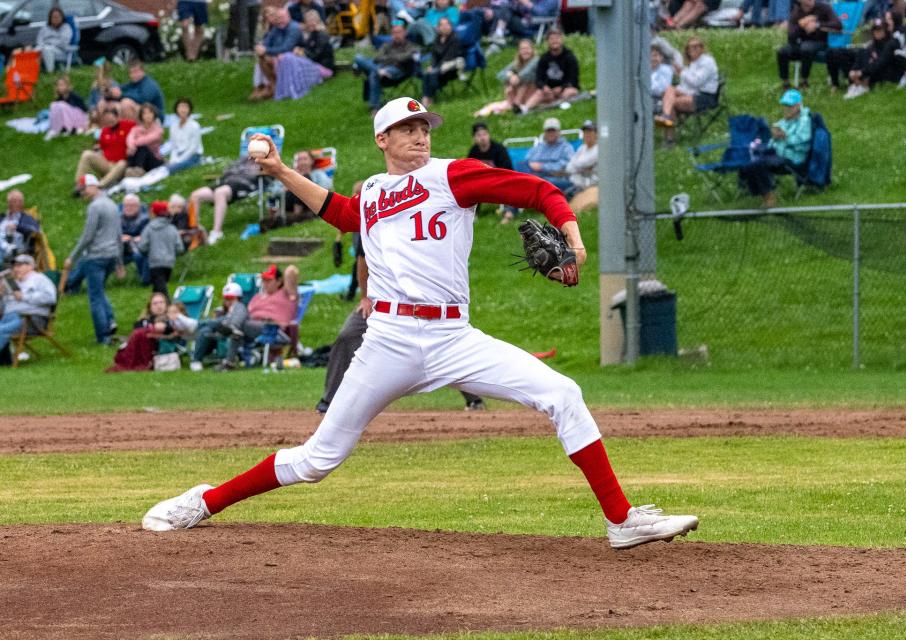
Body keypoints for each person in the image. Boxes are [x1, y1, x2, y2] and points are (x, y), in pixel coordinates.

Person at [142, 96, 700, 550]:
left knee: (563, 393)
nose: (420, 135)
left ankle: (621, 519)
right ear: (382, 140)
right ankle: (205, 501)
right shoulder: (375, 192)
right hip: (388, 340)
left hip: (454, 337)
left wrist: (572, 233)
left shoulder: (451, 176)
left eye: (424, 126)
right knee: (317, 460)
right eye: (406, 128)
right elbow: (340, 213)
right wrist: (283, 170)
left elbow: (536, 190)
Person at [315, 236, 485, 413]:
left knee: (443, 344)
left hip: (419, 299)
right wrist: (365, 297)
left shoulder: (411, 222)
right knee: (348, 335)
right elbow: (362, 259)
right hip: (382, 302)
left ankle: (474, 399)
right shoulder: (370, 218)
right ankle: (329, 401)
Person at [63, 175, 124, 345]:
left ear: (92, 186)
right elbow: (119, 234)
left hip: (96, 257)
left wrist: (72, 257)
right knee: (99, 291)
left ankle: (103, 336)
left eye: (83, 189)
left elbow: (88, 236)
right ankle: (110, 320)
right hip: (111, 255)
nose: (82, 193)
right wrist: (119, 261)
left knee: (95, 297)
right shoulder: (112, 204)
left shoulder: (95, 207)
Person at [739, 89, 813, 208]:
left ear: (798, 106)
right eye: (785, 106)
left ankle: (769, 198)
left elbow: (802, 142)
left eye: (790, 106)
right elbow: (775, 135)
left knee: (758, 163)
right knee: (748, 158)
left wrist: (784, 136)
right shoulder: (786, 120)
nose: (787, 109)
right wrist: (773, 134)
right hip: (778, 154)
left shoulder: (805, 121)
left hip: (793, 158)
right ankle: (759, 192)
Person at [220, 263, 300, 371]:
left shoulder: (286, 294)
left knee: (237, 320)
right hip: (251, 328)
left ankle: (230, 330)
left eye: (269, 280)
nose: (265, 284)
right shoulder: (258, 297)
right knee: (237, 314)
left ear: (279, 281)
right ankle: (227, 327)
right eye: (264, 280)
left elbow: (291, 271)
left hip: (273, 329)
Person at [654, 37, 719, 145]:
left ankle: (669, 138)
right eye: (691, 48)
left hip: (704, 97)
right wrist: (676, 89)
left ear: (702, 48)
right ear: (687, 50)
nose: (694, 49)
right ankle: (666, 118)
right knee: (669, 90)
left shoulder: (707, 62)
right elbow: (687, 85)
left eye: (696, 47)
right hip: (694, 92)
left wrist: (681, 72)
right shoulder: (693, 63)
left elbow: (696, 82)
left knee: (671, 103)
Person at [188, 157, 264, 245]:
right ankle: (194, 231)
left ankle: (217, 233)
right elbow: (227, 170)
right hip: (225, 182)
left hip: (245, 184)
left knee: (220, 193)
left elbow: (270, 174)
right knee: (195, 195)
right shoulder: (244, 159)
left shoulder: (266, 160)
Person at [0, 255, 57, 361]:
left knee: (1, 330)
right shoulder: (12, 283)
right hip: (9, 317)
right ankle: (5, 360)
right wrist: (1, 295)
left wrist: (24, 296)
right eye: (14, 266)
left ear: (30, 266)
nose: (16, 269)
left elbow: (50, 298)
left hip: (30, 319)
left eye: (19, 265)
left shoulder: (40, 279)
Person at [353, 23, 420, 113]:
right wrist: (391, 60)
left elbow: (403, 58)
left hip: (398, 70)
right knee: (358, 57)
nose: (396, 35)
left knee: (373, 74)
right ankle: (378, 71)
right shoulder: (386, 45)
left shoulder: (411, 46)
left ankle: (375, 108)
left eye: (399, 32)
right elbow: (377, 58)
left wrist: (388, 58)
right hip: (382, 68)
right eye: (394, 33)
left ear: (404, 33)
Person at [828, 18, 902, 98]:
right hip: (873, 69)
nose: (877, 33)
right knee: (862, 52)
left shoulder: (892, 43)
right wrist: (854, 70)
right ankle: (856, 83)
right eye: (875, 30)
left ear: (886, 30)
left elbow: (881, 62)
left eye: (880, 30)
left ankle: (862, 84)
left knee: (869, 59)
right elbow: (864, 56)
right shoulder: (874, 43)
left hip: (888, 72)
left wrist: (862, 73)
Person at [776, 0, 841, 90]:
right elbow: (791, 36)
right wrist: (801, 25)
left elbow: (838, 24)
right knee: (782, 51)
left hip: (820, 41)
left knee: (806, 48)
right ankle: (785, 82)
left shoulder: (824, 7)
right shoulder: (796, 11)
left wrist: (817, 25)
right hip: (800, 43)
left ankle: (804, 81)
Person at [274, 10, 335, 101]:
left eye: (312, 21)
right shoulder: (312, 34)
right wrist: (299, 49)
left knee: (291, 58)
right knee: (287, 57)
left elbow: (314, 56)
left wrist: (302, 52)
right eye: (308, 22)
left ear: (317, 21)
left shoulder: (322, 35)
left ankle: (293, 89)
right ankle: (286, 89)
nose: (310, 24)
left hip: (324, 67)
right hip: (314, 64)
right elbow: (306, 46)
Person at [73, 106, 136, 192]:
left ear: (117, 117)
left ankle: (99, 186)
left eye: (111, 119)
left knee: (122, 163)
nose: (109, 121)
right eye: (107, 119)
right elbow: (102, 147)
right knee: (87, 154)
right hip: (107, 163)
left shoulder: (128, 125)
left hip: (121, 165)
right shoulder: (104, 131)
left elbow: (140, 128)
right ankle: (79, 185)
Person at [190, 282, 249, 371]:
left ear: (238, 298)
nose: (227, 301)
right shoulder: (223, 310)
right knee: (206, 330)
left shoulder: (240, 308)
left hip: (232, 336)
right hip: (220, 335)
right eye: (225, 298)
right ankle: (196, 360)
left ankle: (194, 325)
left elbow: (233, 325)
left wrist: (219, 321)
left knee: (208, 326)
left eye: (230, 298)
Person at [107, 291, 170, 372]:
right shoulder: (143, 321)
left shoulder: (172, 319)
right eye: (155, 303)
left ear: (166, 304)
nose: (159, 305)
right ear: (150, 307)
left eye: (161, 302)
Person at [520, 29, 580, 114]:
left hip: (565, 89)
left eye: (557, 38)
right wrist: (544, 87)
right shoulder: (544, 58)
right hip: (549, 91)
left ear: (562, 39)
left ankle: (558, 107)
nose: (554, 41)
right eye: (552, 39)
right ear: (547, 41)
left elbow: (573, 79)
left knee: (569, 92)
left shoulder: (570, 57)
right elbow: (539, 78)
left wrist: (561, 88)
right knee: (539, 93)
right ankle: (525, 109)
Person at [474, 38, 538, 117]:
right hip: (518, 92)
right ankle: (509, 105)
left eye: (527, 48)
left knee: (523, 81)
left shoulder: (536, 60)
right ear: (519, 51)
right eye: (522, 49)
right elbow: (500, 74)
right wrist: (510, 76)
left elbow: (526, 72)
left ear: (532, 50)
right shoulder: (517, 63)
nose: (525, 51)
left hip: (533, 92)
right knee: (509, 82)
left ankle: (515, 104)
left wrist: (517, 77)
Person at [467, 122, 516, 223]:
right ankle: (472, 213)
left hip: (500, 180)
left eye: (484, 134)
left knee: (510, 186)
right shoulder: (474, 151)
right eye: (479, 135)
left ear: (488, 135)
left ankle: (509, 212)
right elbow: (469, 170)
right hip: (482, 182)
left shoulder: (499, 149)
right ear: (474, 138)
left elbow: (507, 170)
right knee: (470, 186)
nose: (482, 137)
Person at [250, 7, 302, 101]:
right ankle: (268, 86)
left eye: (282, 17)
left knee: (267, 57)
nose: (279, 20)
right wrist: (261, 48)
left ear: (288, 16)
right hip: (277, 54)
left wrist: (265, 50)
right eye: (278, 18)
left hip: (293, 55)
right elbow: (267, 42)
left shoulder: (293, 28)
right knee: (262, 58)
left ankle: (270, 87)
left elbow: (286, 48)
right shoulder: (276, 28)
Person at [137, 201, 185, 297]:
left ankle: (167, 306)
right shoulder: (172, 228)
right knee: (158, 287)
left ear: (153, 213)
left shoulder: (149, 228)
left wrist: (147, 252)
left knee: (161, 289)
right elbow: (180, 248)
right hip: (169, 263)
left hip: (155, 263)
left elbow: (142, 246)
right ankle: (154, 306)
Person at [521, 117, 574, 195]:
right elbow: (527, 161)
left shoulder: (566, 147)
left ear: (559, 132)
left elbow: (567, 165)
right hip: (534, 175)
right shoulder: (538, 147)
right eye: (548, 131)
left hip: (555, 177)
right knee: (521, 166)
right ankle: (513, 201)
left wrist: (542, 166)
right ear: (544, 132)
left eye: (553, 130)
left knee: (538, 182)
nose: (551, 133)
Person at [421, 17, 464, 107]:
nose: (444, 27)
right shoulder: (437, 40)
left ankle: (429, 98)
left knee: (432, 74)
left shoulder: (455, 39)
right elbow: (434, 56)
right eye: (442, 25)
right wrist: (432, 66)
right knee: (426, 73)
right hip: (439, 68)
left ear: (450, 26)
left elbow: (449, 57)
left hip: (451, 68)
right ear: (438, 28)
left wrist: (435, 68)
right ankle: (426, 98)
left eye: (447, 24)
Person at [565, 119, 599, 212]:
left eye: (589, 131)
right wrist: (577, 167)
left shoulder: (598, 149)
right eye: (585, 132)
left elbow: (583, 163)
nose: (587, 134)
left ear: (596, 134)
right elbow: (569, 167)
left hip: (587, 185)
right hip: (574, 181)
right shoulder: (582, 148)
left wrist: (576, 166)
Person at [0, 191, 40, 266]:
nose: (17, 203)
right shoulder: (2, 218)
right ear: (8, 203)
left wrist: (17, 227)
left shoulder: (26, 218)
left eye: (20, 201)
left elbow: (35, 230)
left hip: (13, 249)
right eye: (14, 201)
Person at [125, 104, 165, 177]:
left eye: (150, 113)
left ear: (154, 115)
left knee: (142, 147)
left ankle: (138, 169)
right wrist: (131, 146)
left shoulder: (158, 130)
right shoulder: (136, 129)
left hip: (154, 160)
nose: (147, 115)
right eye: (144, 113)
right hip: (139, 158)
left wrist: (134, 144)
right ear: (141, 116)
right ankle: (131, 169)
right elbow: (129, 138)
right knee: (131, 150)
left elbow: (146, 140)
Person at [167, 98, 204, 174]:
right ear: (176, 109)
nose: (183, 110)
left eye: (185, 107)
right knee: (166, 166)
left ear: (189, 110)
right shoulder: (173, 126)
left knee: (171, 169)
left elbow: (193, 148)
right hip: (179, 154)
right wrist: (173, 159)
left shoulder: (194, 126)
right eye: (180, 107)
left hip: (193, 156)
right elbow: (173, 146)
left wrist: (179, 160)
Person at [119, 193, 150, 285]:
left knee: (139, 256)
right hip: (120, 248)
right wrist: (120, 237)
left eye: (132, 205)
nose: (128, 208)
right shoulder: (117, 218)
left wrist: (134, 238)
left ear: (138, 206)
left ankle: (145, 281)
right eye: (126, 205)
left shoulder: (145, 219)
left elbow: (148, 234)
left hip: (139, 247)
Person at [46, 76, 89, 141]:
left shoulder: (74, 95)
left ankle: (70, 129)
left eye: (62, 85)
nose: (60, 87)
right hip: (69, 119)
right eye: (59, 85)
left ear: (67, 86)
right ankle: (55, 129)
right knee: (53, 105)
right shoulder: (59, 98)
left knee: (61, 105)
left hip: (80, 118)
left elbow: (85, 109)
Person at [35, 7, 73, 73]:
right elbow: (39, 41)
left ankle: (50, 72)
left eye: (58, 17)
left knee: (47, 49)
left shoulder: (66, 27)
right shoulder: (45, 28)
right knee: (35, 50)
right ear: (50, 18)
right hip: (43, 47)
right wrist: (43, 45)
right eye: (54, 17)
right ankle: (33, 72)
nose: (56, 19)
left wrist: (49, 43)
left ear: (62, 17)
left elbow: (63, 42)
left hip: (60, 50)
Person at [650, 47, 674, 115]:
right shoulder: (644, 69)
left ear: (661, 57)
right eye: (650, 56)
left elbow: (662, 90)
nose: (652, 59)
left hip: (659, 100)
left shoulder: (666, 70)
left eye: (655, 55)